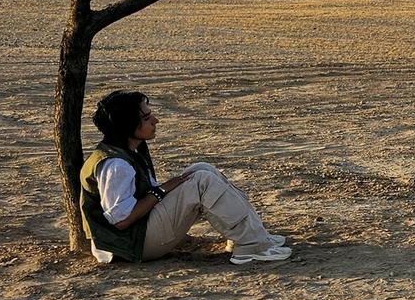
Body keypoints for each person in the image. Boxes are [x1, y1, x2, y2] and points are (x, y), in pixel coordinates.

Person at [79, 90, 291, 265]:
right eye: (146, 118)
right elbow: (121, 220)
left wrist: (165, 190)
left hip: (139, 233)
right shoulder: (116, 165)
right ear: (127, 127)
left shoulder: (128, 150)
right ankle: (251, 247)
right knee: (201, 182)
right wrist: (161, 191)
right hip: (132, 244)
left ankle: (252, 235)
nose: (155, 120)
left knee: (201, 169)